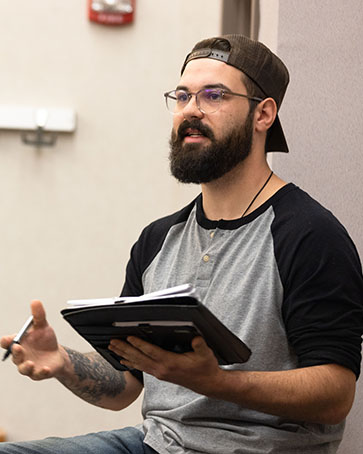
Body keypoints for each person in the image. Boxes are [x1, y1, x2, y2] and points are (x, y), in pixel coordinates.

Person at [1, 34, 363, 454]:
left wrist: (216, 382)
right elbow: (125, 387)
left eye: (214, 95)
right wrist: (62, 362)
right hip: (155, 443)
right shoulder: (158, 240)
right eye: (183, 96)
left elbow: (336, 395)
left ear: (263, 114)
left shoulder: (309, 235)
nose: (192, 109)